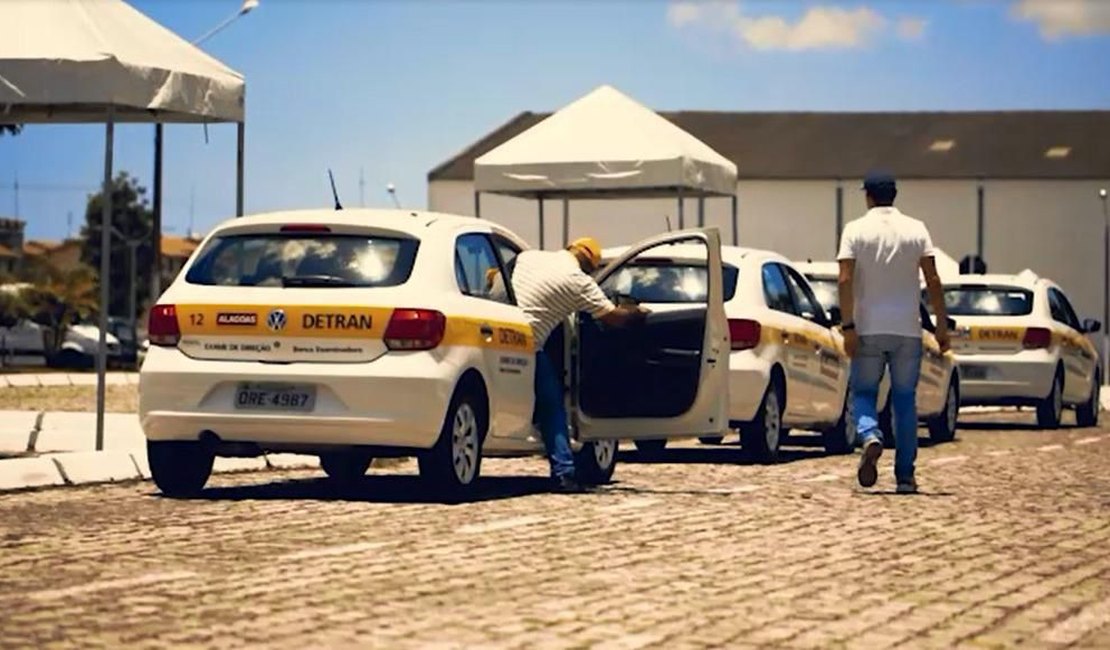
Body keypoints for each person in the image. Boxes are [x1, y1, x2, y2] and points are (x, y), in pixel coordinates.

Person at [837, 172, 950, 494]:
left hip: (868, 327)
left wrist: (848, 326)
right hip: (907, 330)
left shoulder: (855, 230)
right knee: (904, 401)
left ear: (868, 196)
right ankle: (905, 476)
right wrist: (941, 326)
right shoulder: (917, 229)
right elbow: (933, 279)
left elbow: (845, 279)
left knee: (863, 394)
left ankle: (870, 434)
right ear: (894, 195)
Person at [511, 236, 647, 493]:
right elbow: (612, 318)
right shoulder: (578, 282)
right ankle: (564, 473)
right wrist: (638, 315)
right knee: (553, 406)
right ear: (590, 266)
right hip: (529, 346)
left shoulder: (530, 257)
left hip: (501, 337)